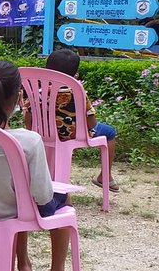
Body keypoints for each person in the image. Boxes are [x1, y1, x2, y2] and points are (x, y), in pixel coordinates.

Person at [0, 60, 91, 271]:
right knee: (51, 198)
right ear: (18, 98)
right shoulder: (28, 140)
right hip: (16, 208)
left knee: (15, 201)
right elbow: (42, 195)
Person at [43, 48, 119, 192]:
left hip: (44, 134)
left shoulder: (39, 91)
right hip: (73, 135)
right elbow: (92, 124)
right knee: (109, 132)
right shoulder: (77, 92)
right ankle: (105, 177)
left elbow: (28, 115)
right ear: (75, 75)